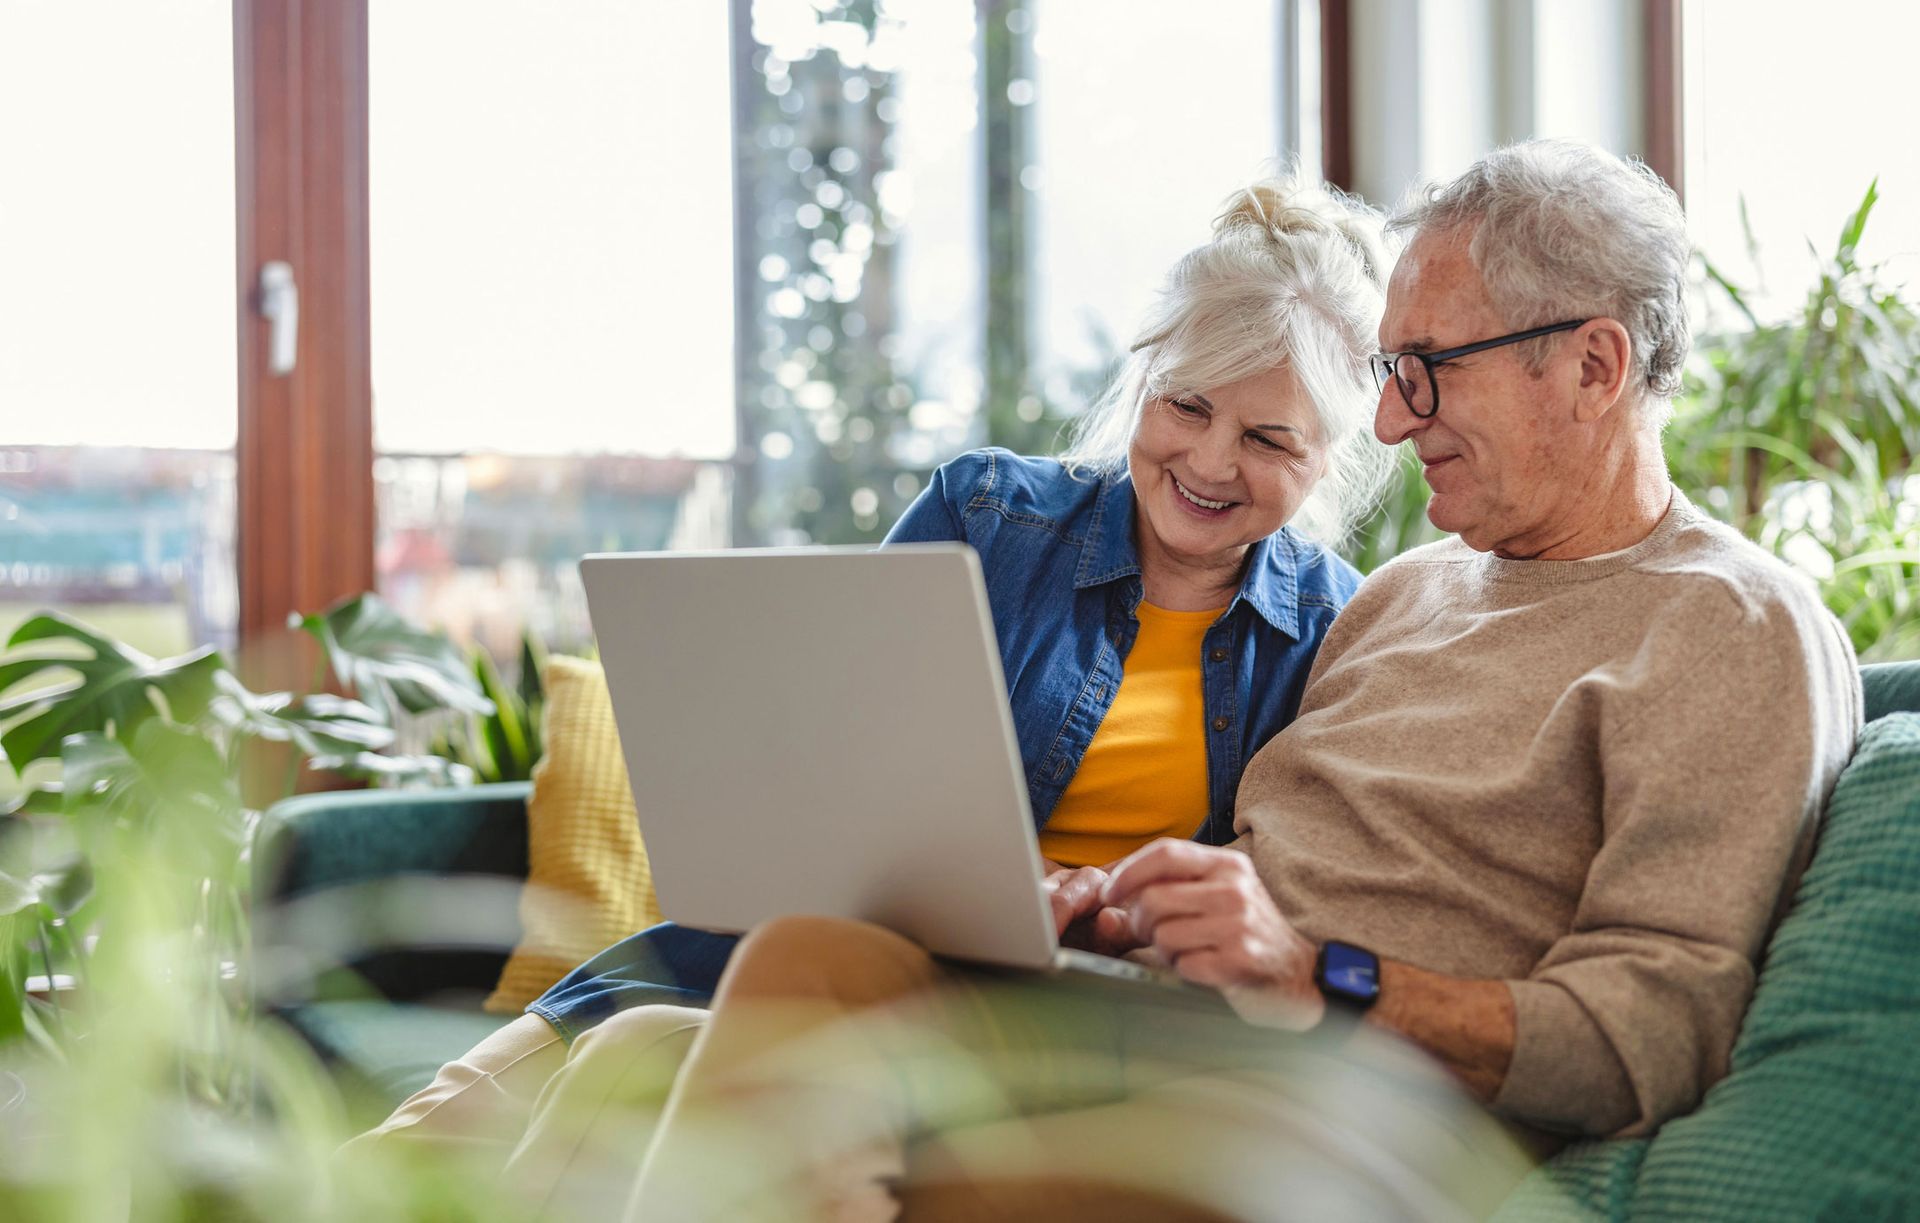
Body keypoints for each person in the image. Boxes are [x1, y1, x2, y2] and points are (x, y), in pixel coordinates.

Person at [533, 139, 1861, 1219]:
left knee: (767, 1129)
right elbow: (1273, 854)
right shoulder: (1409, 593)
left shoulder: (1732, 627)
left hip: (1356, 1110)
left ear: (1592, 365)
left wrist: (1317, 971)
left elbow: (1651, 1033)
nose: (1391, 423)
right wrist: (1136, 905)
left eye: (1424, 371)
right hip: (1159, 1019)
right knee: (795, 964)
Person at [344, 174, 1400, 1206]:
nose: (1211, 459)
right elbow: (822, 776)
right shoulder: (989, 515)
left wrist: (1113, 910)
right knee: (412, 1147)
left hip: (1036, 1019)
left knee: (624, 1067)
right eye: (1188, 405)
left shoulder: (1339, 632)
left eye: (1268, 438)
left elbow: (1275, 905)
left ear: (1331, 456)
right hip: (800, 954)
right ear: (1144, 379)